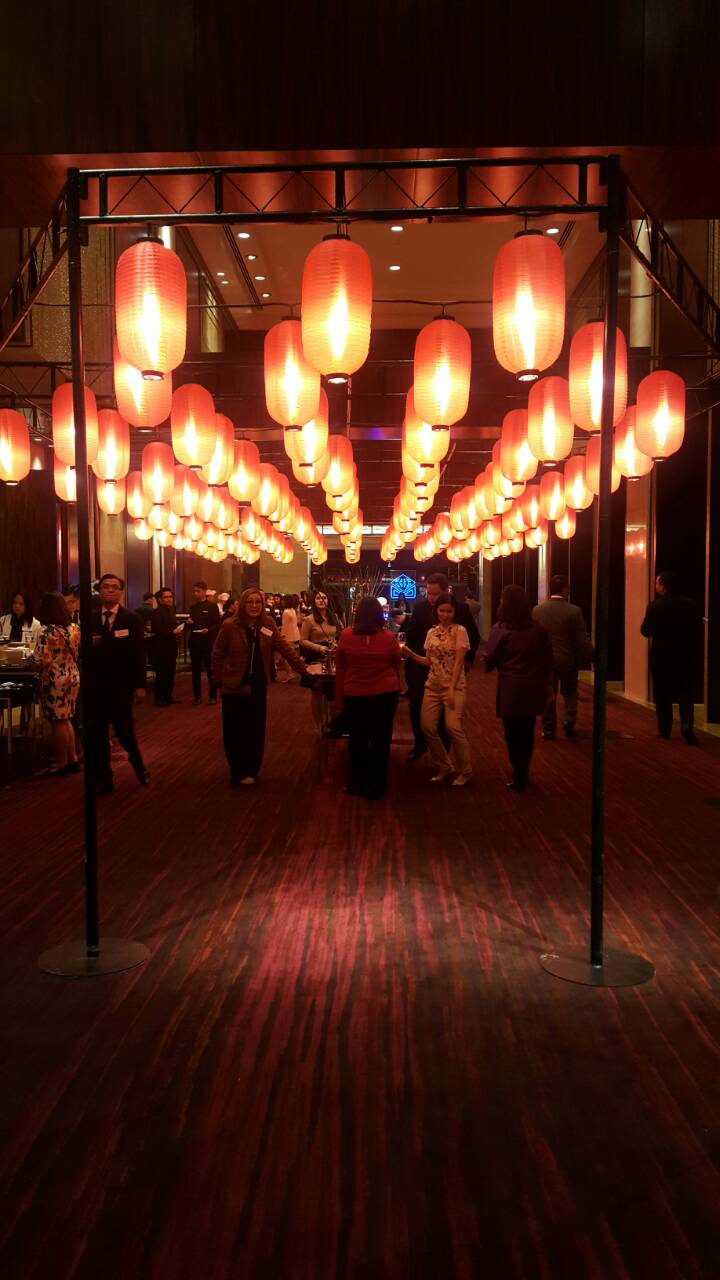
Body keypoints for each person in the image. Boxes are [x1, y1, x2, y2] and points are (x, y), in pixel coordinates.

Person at [211, 587, 309, 786]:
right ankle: (237, 770)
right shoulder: (230, 625)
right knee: (234, 731)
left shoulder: (268, 624)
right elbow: (217, 654)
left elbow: (285, 649)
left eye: (258, 602)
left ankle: (251, 769)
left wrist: (305, 670)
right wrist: (219, 681)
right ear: (243, 604)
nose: (254, 606)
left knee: (255, 730)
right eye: (250, 602)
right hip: (234, 685)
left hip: (257, 685)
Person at [404, 572, 480, 760]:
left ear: (446, 592)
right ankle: (420, 744)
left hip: (449, 670)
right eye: (428, 593)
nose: (431, 598)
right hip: (423, 667)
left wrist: (466, 664)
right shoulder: (421, 608)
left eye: (435, 594)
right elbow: (411, 634)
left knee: (447, 718)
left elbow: (474, 637)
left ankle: (443, 753)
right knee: (416, 708)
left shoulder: (460, 609)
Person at [486, 585, 553, 791]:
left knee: (512, 732)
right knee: (527, 729)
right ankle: (523, 769)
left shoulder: (501, 629)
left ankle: (519, 771)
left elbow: (491, 658)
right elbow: (547, 659)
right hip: (533, 685)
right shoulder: (539, 630)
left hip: (511, 687)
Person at [335, 596, 401, 799]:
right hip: (385, 694)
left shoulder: (345, 636)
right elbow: (396, 663)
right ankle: (377, 786)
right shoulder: (389, 637)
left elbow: (341, 666)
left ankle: (356, 781)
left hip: (355, 694)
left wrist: (340, 699)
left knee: (357, 739)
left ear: (358, 614)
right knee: (381, 740)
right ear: (380, 615)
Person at [90, 573, 149, 795]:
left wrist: (140, 685)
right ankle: (103, 778)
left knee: (125, 732)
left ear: (121, 592)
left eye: (115, 587)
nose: (110, 591)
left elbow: (138, 654)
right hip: (96, 686)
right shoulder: (91, 617)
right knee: (97, 735)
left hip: (121, 687)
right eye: (106, 587)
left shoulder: (131, 618)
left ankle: (139, 767)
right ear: (99, 591)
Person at [640, 570, 704, 745]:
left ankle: (665, 729)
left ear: (664, 586)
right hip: (685, 655)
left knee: (662, 695)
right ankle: (686, 726)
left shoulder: (655, 606)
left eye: (657, 583)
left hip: (661, 656)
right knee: (686, 693)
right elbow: (698, 629)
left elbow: (645, 631)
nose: (656, 586)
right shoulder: (691, 605)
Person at [532, 574, 593, 740]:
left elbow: (534, 637)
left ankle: (549, 728)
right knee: (570, 693)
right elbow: (581, 638)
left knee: (548, 694)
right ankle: (569, 721)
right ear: (565, 589)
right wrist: (591, 656)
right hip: (567, 660)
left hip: (545, 662)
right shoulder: (574, 611)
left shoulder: (538, 610)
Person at [34, 592, 80, 775]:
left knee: (57, 722)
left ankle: (62, 763)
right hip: (73, 676)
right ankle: (73, 758)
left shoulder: (46, 632)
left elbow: (41, 660)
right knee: (67, 718)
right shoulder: (75, 628)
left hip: (55, 679)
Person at [187, 580, 222, 705]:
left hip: (207, 643)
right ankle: (197, 697)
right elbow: (190, 626)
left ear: (204, 592)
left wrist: (209, 630)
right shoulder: (193, 607)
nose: (196, 593)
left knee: (210, 671)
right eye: (194, 591)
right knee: (195, 672)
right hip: (195, 643)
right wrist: (188, 623)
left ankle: (213, 696)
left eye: (198, 591)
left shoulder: (212, 607)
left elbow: (218, 624)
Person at [151, 586, 184, 705]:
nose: (169, 599)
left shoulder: (171, 610)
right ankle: (160, 699)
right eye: (166, 597)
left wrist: (178, 630)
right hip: (161, 648)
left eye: (171, 597)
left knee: (170, 673)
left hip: (171, 647)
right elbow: (156, 629)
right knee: (161, 675)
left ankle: (168, 696)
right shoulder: (156, 612)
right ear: (160, 599)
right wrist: (171, 632)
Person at [277, 593, 301, 682]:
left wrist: (282, 636)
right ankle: (291, 673)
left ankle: (290, 674)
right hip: (294, 634)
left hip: (288, 635)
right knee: (291, 654)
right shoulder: (293, 610)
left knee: (287, 656)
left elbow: (284, 626)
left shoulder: (286, 612)